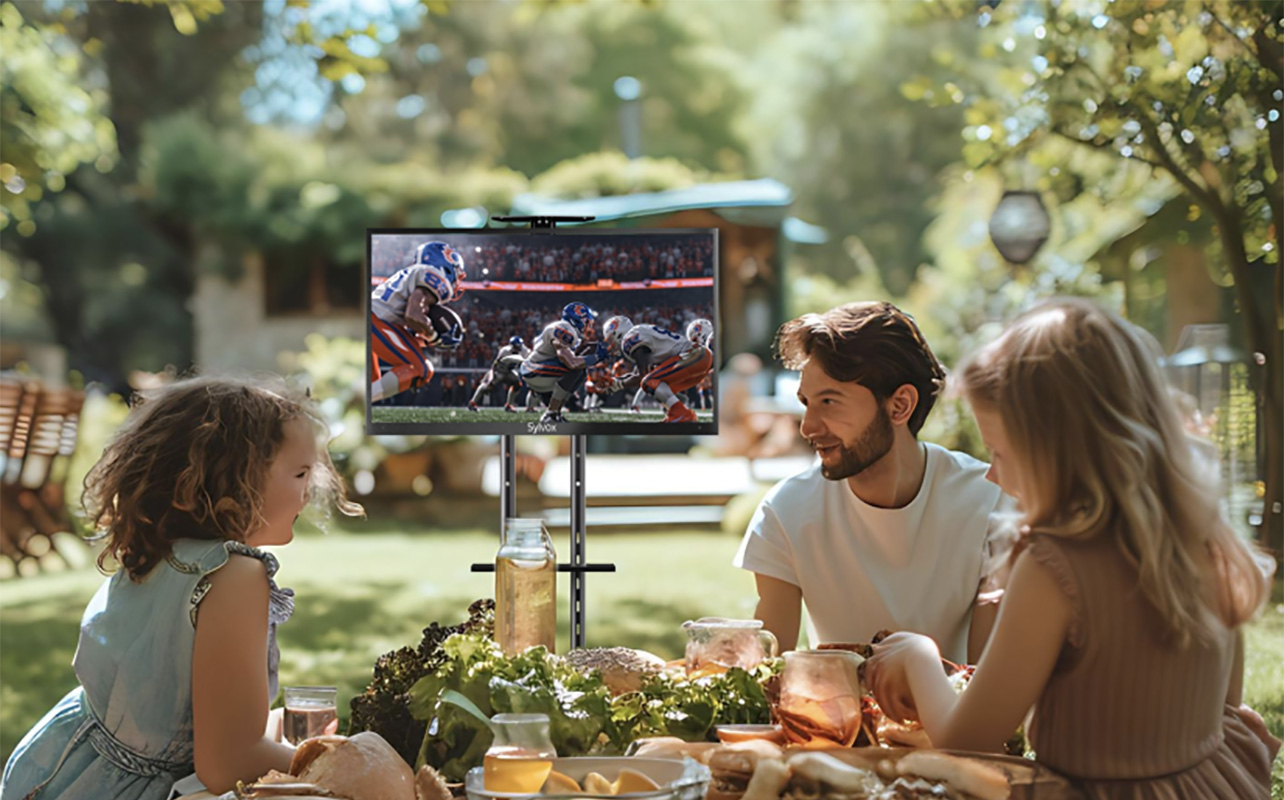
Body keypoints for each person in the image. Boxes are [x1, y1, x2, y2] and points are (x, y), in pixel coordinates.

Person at [864, 299, 1277, 796]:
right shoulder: (1204, 533)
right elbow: (1226, 706)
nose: (991, 472)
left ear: (1060, 449)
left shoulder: (1052, 567)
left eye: (999, 452)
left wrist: (918, 655)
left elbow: (967, 739)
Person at [1, 375, 364, 799]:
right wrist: (341, 766)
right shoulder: (237, 576)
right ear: (229, 481)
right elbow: (228, 763)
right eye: (300, 472)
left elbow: (180, 716)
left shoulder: (164, 552)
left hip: (65, 769)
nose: (308, 492)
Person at [733, 301, 1012, 664]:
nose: (808, 427)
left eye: (830, 401)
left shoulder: (988, 502)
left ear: (900, 406)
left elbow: (984, 683)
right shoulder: (786, 510)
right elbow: (766, 673)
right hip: (830, 717)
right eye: (807, 403)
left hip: (953, 718)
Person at [370, 241, 466, 403]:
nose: (457, 280)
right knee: (421, 370)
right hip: (375, 321)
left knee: (373, 384)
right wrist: (435, 337)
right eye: (456, 272)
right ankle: (356, 401)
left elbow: (406, 320)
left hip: (376, 318)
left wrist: (424, 337)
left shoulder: (411, 273)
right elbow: (413, 315)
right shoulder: (435, 276)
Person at [602, 315, 714, 423]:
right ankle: (675, 413)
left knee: (649, 382)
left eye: (611, 339)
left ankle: (682, 413)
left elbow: (642, 377)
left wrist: (618, 384)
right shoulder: (641, 335)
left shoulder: (630, 339)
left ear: (619, 333)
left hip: (694, 355)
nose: (611, 345)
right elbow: (637, 374)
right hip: (698, 360)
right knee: (659, 386)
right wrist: (616, 382)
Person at [519, 302, 610, 425]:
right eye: (586, 321)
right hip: (532, 368)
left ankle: (555, 413)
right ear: (577, 320)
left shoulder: (569, 331)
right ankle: (550, 414)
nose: (588, 325)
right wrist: (596, 357)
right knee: (576, 368)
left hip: (541, 366)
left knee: (581, 371)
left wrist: (593, 350)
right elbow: (571, 362)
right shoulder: (564, 329)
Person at [469, 336, 532, 413]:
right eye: (516, 347)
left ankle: (509, 405)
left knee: (517, 384)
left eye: (519, 347)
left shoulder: (524, 351)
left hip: (509, 371)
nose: (518, 349)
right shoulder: (504, 351)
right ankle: (472, 403)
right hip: (499, 371)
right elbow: (495, 365)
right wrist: (491, 375)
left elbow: (528, 361)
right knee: (488, 387)